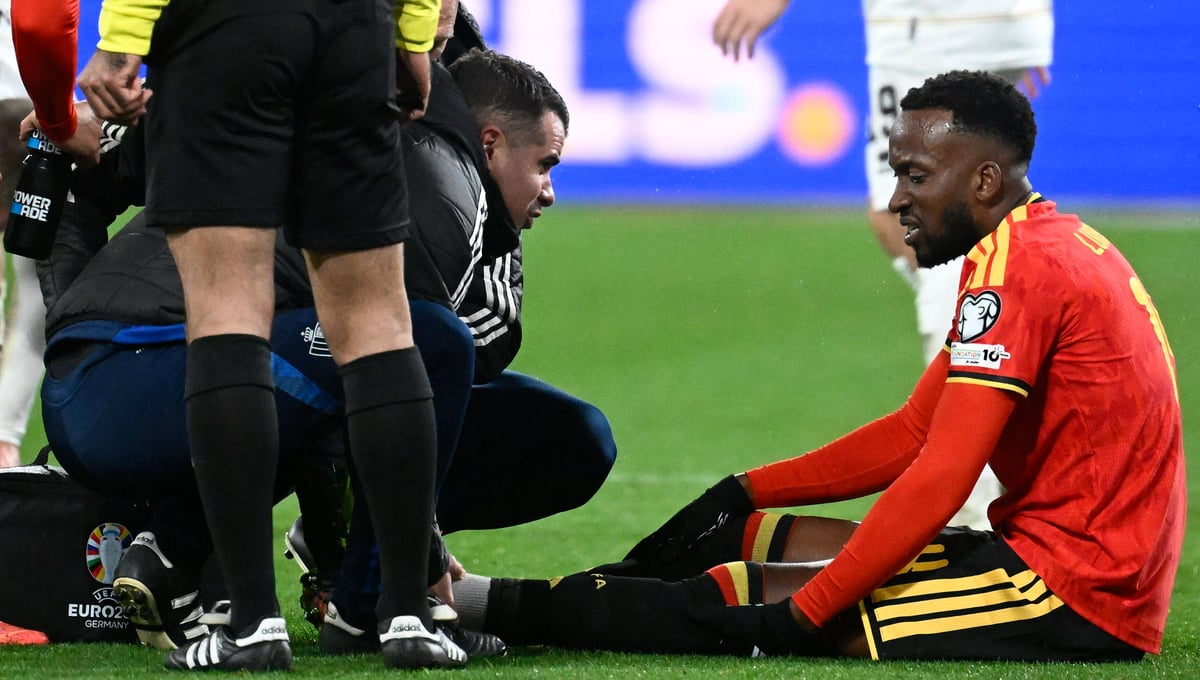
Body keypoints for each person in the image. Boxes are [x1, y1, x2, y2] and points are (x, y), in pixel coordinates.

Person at [450, 70, 1184, 663]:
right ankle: (489, 600)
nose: (896, 201)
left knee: (736, 602)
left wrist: (806, 614)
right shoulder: (1039, 245)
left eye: (916, 176)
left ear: (984, 181)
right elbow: (913, 433)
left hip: (1074, 592)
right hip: (1050, 554)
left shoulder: (1018, 267)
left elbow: (941, 476)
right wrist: (741, 491)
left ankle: (472, 602)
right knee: (735, 538)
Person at [64, 0, 458, 671]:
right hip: (353, 29)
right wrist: (412, 34)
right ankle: (407, 617)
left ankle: (252, 623)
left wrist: (122, 36)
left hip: (224, 27)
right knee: (378, 323)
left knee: (227, 312)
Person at [711, 0, 1054, 530]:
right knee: (918, 217)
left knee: (930, 221)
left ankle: (974, 514)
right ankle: (1025, 420)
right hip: (967, 24)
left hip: (934, 26)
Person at [0, 1, 43, 469]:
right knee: (37, 275)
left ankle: (3, 438)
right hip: (30, 109)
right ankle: (4, 437)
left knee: (37, 274)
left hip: (29, 113)